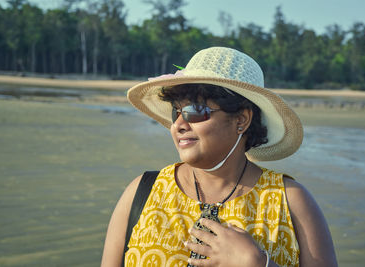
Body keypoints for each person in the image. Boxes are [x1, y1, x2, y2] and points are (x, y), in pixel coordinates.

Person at [101, 47, 337, 267]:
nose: (179, 125)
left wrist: (259, 263)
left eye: (195, 111)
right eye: (176, 112)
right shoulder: (141, 193)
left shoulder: (291, 201)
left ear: (241, 120)